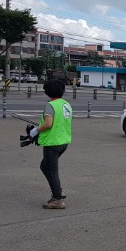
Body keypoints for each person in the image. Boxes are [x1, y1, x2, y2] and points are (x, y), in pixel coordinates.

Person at [28, 79, 73, 210]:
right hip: (63, 142)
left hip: (52, 143)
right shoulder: (66, 105)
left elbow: (48, 124)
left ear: (47, 92)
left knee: (52, 170)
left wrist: (35, 131)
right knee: (44, 166)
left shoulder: (50, 105)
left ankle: (57, 199)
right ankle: (57, 190)